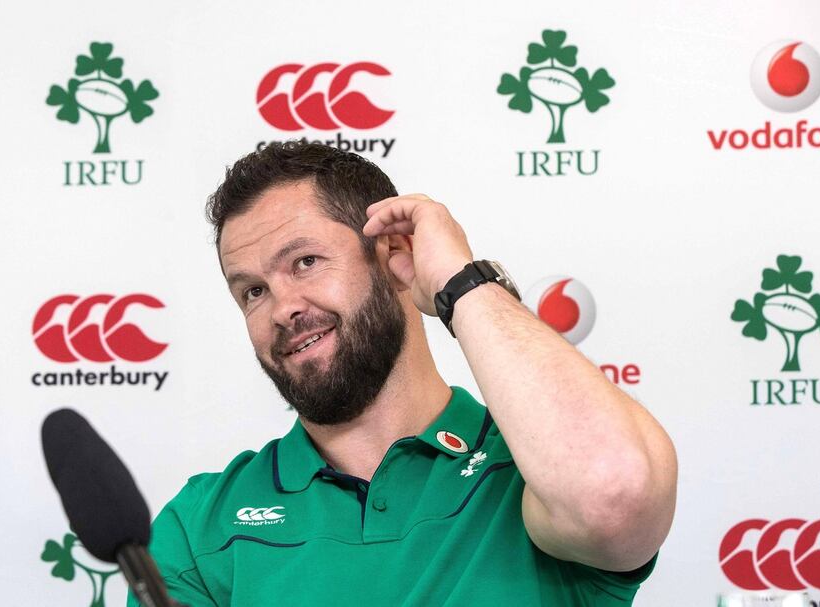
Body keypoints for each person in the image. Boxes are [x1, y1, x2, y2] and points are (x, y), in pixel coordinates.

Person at [129, 141, 677, 606]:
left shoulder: (530, 473)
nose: (281, 308)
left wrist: (460, 283)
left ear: (394, 255)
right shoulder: (199, 527)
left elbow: (616, 494)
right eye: (252, 290)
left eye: (305, 262)